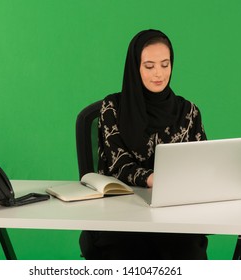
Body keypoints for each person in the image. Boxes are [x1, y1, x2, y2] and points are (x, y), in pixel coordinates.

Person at [79, 29, 208, 259]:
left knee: (188, 245)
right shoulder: (113, 108)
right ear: (135, 67)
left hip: (173, 217)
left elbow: (201, 162)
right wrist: (151, 178)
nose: (158, 73)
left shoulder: (188, 112)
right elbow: (118, 164)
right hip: (121, 217)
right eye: (149, 66)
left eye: (165, 64)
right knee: (128, 247)